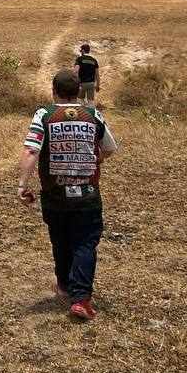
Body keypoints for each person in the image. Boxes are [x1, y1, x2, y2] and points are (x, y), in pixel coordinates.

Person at [18, 68, 117, 321]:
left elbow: (32, 150)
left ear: (53, 92)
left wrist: (22, 184)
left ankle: (64, 285)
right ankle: (81, 298)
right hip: (87, 195)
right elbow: (109, 148)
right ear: (78, 92)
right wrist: (94, 161)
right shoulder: (93, 115)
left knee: (60, 240)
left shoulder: (44, 115)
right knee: (85, 242)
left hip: (55, 195)